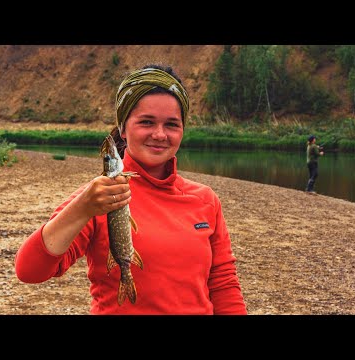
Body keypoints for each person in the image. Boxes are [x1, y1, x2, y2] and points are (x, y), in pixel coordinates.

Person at [15, 64, 247, 315]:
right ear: (123, 128)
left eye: (172, 124)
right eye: (147, 122)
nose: (160, 134)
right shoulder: (99, 197)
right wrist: (82, 208)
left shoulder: (205, 199)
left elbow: (223, 284)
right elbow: (30, 271)